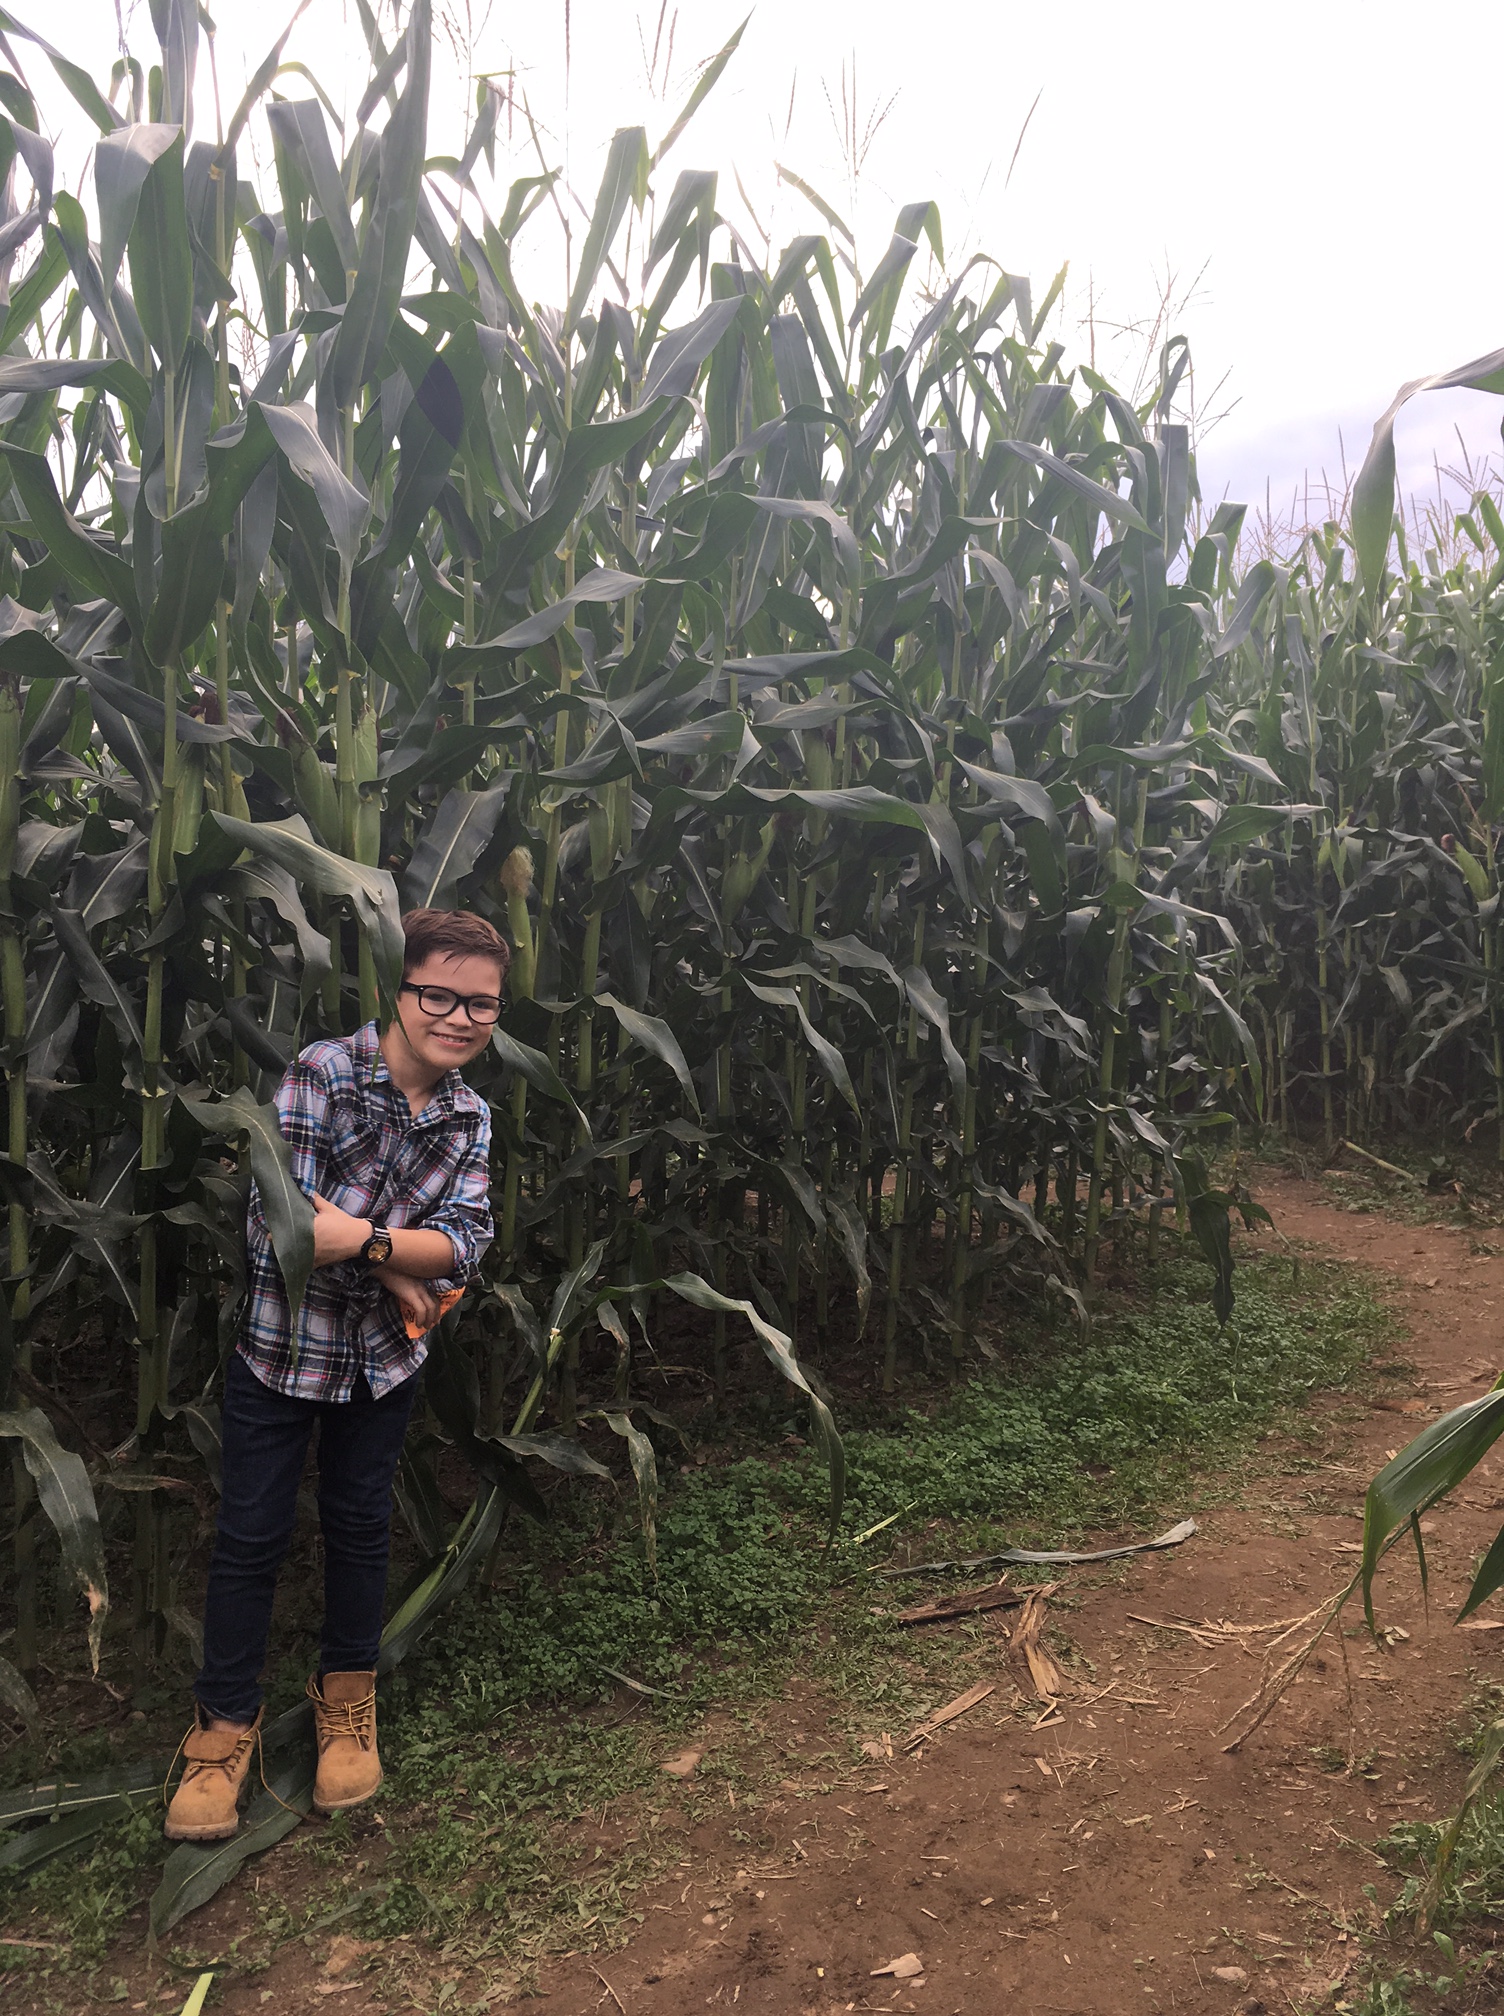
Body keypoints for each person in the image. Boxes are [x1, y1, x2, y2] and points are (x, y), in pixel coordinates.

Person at [164, 908, 507, 1841]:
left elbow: (470, 1245)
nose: (459, 1018)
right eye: (439, 994)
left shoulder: (471, 1117)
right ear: (401, 993)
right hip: (284, 1351)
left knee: (361, 1527)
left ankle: (346, 1701)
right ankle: (221, 1731)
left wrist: (382, 1245)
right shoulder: (323, 1072)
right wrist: (405, 1267)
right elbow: (285, 1230)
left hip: (382, 1367)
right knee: (250, 1535)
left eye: (481, 1004)